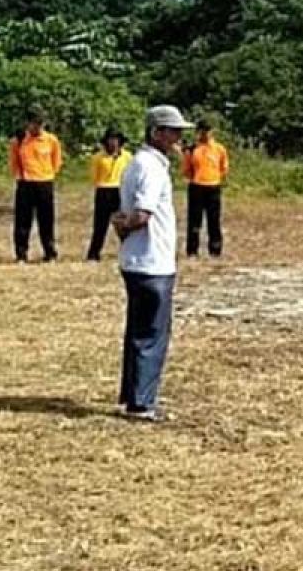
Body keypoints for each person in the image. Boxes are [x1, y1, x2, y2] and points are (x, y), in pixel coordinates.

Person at [112, 105, 196, 421]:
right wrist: (123, 225)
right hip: (151, 261)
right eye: (173, 132)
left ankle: (134, 394)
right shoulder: (151, 167)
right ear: (156, 132)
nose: (178, 138)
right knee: (151, 332)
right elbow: (142, 215)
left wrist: (120, 224)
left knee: (138, 330)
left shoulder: (138, 162)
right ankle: (142, 402)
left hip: (137, 259)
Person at [8, 108, 63, 263]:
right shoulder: (19, 140)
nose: (37, 128)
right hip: (25, 183)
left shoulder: (51, 140)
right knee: (22, 221)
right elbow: (14, 163)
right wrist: (21, 177)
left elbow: (56, 161)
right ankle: (21, 254)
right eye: (34, 124)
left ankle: (50, 253)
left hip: (45, 183)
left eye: (40, 124)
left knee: (46, 220)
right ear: (28, 124)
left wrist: (48, 175)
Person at [182, 119, 230, 258]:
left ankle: (215, 250)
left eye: (208, 130)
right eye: (202, 130)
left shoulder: (219, 149)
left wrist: (216, 178)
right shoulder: (193, 149)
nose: (205, 133)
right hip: (196, 186)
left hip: (213, 186)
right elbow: (186, 169)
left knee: (214, 220)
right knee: (194, 221)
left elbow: (224, 167)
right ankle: (192, 251)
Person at [87, 128, 132, 262]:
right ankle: (94, 254)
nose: (113, 143)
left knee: (123, 223)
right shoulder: (98, 157)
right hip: (103, 190)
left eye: (116, 140)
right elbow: (93, 177)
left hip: (120, 190)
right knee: (100, 225)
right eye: (110, 140)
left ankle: (129, 251)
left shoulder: (127, 156)